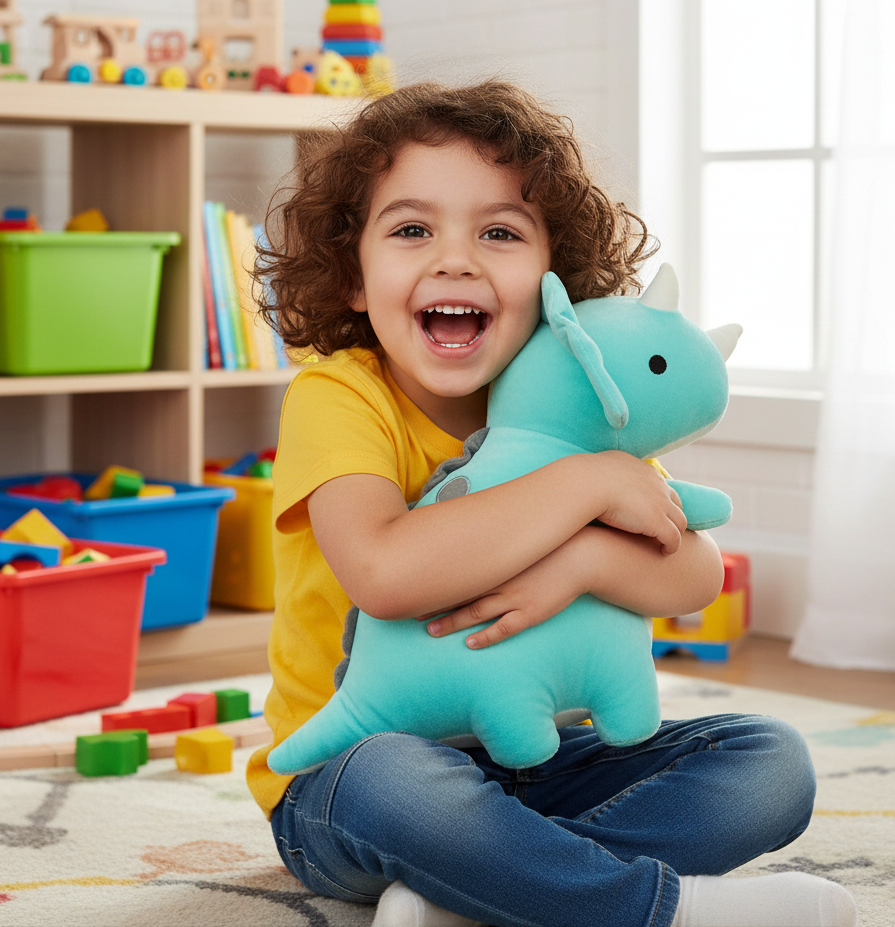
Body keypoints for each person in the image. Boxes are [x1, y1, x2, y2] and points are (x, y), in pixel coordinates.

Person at [247, 81, 857, 927]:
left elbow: (693, 575)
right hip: (354, 771)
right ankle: (650, 909)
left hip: (546, 756)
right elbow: (384, 574)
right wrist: (584, 486)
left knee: (770, 763)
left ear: (554, 282)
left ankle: (489, 889)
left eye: (499, 233)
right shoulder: (339, 395)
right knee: (397, 782)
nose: (455, 260)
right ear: (354, 275)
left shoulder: (580, 406)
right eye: (413, 230)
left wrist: (584, 560)